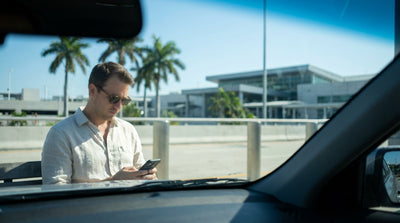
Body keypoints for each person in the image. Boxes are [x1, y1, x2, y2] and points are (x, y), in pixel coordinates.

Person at [41, 62, 157, 184]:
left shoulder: (128, 130)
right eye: (114, 98)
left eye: (124, 100)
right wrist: (112, 182)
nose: (119, 106)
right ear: (92, 91)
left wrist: (146, 177)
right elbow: (55, 190)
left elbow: (139, 173)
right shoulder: (61, 133)